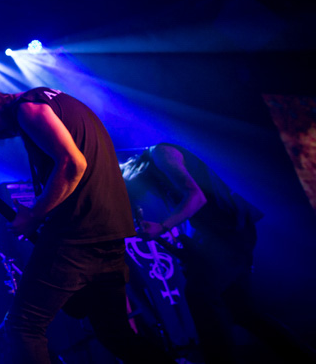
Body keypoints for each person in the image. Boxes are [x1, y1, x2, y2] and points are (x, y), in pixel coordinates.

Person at [0, 87, 172, 364]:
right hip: (109, 231)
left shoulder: (28, 108)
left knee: (23, 327)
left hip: (78, 234)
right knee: (115, 334)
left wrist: (35, 214)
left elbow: (73, 164)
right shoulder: (54, 101)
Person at [122, 144, 316, 364]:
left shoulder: (160, 152)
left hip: (230, 234)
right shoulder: (158, 178)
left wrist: (163, 226)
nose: (143, 196)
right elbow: (196, 216)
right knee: (243, 311)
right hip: (224, 237)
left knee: (199, 294)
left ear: (133, 170)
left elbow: (196, 197)